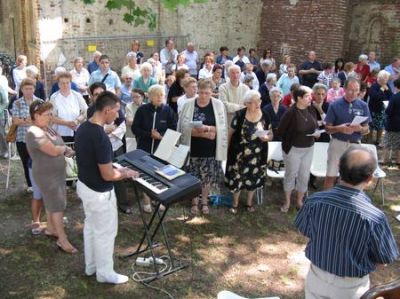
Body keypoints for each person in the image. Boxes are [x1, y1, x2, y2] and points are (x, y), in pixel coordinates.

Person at [295, 147, 399, 299]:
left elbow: (303, 230)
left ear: (338, 167)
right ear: (370, 178)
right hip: (350, 287)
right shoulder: (375, 218)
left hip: (316, 276)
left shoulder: (314, 201)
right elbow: (383, 260)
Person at [75, 91, 139, 284]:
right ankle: (104, 273)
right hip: (99, 192)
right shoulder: (100, 136)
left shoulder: (83, 128)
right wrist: (125, 173)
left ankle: (91, 266)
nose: (118, 116)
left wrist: (114, 168)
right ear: (107, 110)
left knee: (91, 227)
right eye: (116, 111)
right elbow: (108, 175)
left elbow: (94, 161)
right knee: (105, 233)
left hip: (85, 185)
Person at [26, 100, 77, 253]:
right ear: (36, 115)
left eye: (50, 113)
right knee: (57, 206)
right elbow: (53, 151)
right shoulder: (33, 132)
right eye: (47, 114)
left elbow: (59, 145)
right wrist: (63, 149)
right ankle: (62, 239)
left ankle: (50, 228)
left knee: (52, 203)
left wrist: (65, 149)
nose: (50, 117)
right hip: (47, 175)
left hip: (56, 172)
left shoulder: (47, 128)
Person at [178, 79, 228, 215]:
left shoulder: (218, 105)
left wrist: (206, 128)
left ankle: (204, 201)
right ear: (197, 91)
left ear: (212, 92)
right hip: (192, 146)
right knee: (193, 176)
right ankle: (194, 202)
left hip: (210, 149)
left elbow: (221, 128)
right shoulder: (189, 105)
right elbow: (183, 127)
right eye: (200, 92)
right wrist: (205, 133)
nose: (203, 96)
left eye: (207, 93)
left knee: (206, 177)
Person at [225, 90, 272, 214]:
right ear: (247, 103)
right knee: (237, 178)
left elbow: (271, 133)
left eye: (259, 100)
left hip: (258, 154)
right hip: (240, 154)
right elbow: (230, 133)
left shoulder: (265, 115)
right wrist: (227, 150)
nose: (258, 103)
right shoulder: (239, 115)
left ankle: (249, 202)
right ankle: (235, 203)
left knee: (254, 178)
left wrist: (267, 138)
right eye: (254, 101)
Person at [132, 85, 176, 213]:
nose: (159, 97)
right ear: (150, 97)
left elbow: (173, 128)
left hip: (161, 148)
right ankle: (146, 201)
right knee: (144, 173)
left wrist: (160, 136)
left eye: (162, 95)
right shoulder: (142, 110)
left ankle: (160, 199)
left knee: (161, 174)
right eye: (156, 95)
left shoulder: (168, 110)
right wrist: (149, 134)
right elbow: (135, 128)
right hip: (144, 147)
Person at [277, 85, 319, 212]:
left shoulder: (311, 109)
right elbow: (280, 131)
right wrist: (294, 135)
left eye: (310, 96)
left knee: (304, 176)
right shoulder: (290, 112)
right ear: (299, 98)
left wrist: (316, 132)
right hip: (293, 149)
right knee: (291, 175)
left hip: (309, 148)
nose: (310, 98)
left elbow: (315, 125)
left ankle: (300, 201)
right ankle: (287, 202)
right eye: (307, 96)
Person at [323, 77, 371, 189]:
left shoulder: (363, 106)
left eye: (356, 90)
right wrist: (339, 128)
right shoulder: (335, 104)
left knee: (353, 177)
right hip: (337, 143)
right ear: (344, 89)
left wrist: (360, 129)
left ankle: (349, 203)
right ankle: (326, 201)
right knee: (331, 175)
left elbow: (367, 128)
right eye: (350, 89)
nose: (353, 93)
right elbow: (327, 128)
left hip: (355, 145)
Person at [11, 78, 41, 191]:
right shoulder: (17, 103)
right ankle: (30, 185)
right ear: (22, 90)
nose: (28, 91)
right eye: (26, 89)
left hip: (37, 138)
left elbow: (43, 120)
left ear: (34, 89)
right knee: (26, 162)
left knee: (38, 161)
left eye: (31, 88)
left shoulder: (39, 102)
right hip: (22, 138)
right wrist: (27, 120)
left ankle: (39, 183)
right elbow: (15, 121)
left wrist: (25, 121)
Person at [50, 72, 88, 143]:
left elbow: (85, 111)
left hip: (77, 131)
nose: (65, 85)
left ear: (71, 83)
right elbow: (52, 117)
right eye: (62, 83)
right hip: (60, 134)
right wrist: (67, 123)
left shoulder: (77, 95)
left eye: (67, 83)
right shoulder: (54, 97)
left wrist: (77, 121)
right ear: (58, 84)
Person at [367, 70, 392, 145]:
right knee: (371, 125)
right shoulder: (374, 86)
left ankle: (378, 140)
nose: (387, 80)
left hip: (382, 109)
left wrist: (387, 89)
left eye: (387, 78)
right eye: (386, 78)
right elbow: (375, 97)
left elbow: (390, 96)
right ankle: (369, 140)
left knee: (381, 126)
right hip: (373, 109)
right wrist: (382, 89)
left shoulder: (387, 85)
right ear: (381, 78)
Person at [382, 78, 400, 165]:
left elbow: (389, 111)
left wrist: (386, 108)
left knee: (387, 142)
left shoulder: (394, 97)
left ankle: (385, 160)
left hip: (393, 123)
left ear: (396, 87)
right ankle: (398, 160)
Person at [0, 84, 8, 158]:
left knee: (1, 133)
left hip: (0, 115)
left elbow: (5, 102)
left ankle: (5, 151)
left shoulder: (0, 88)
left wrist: (0, 110)